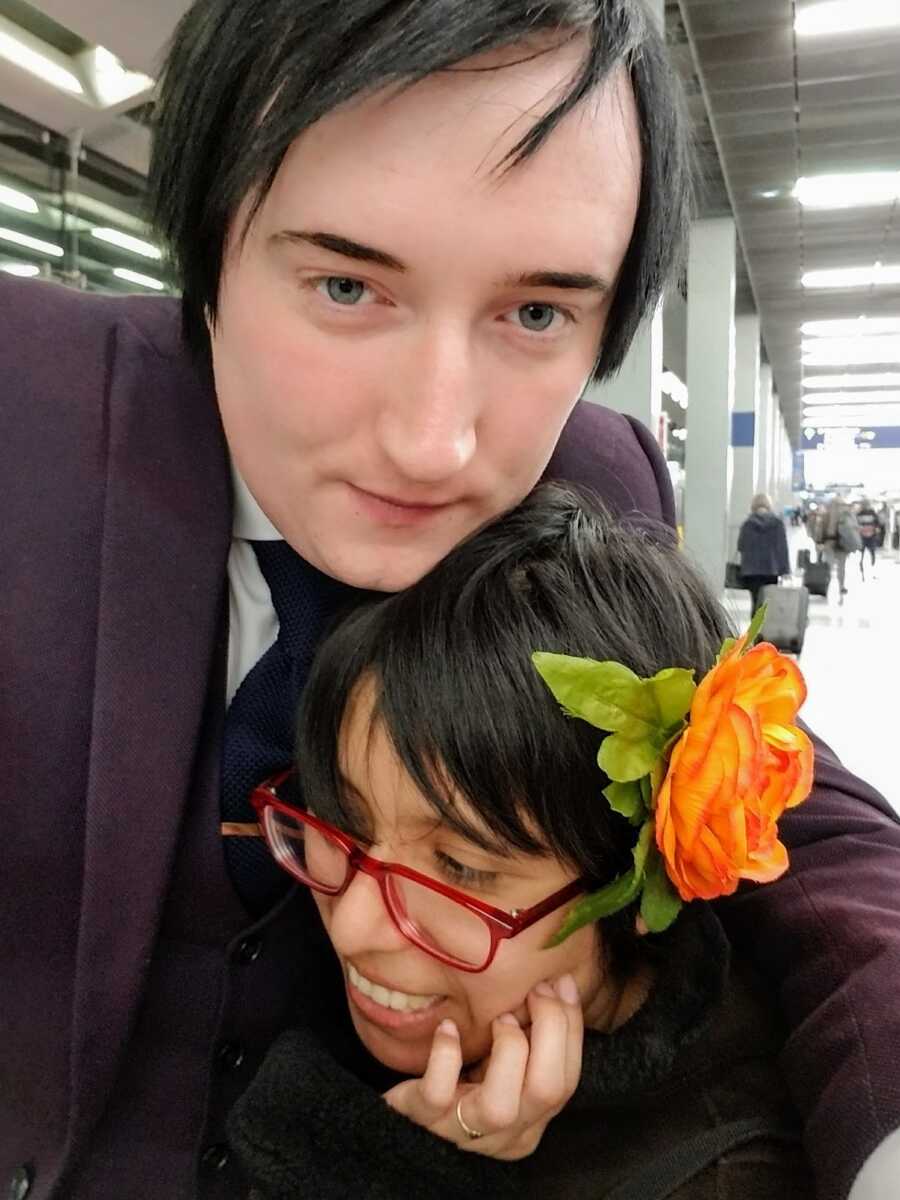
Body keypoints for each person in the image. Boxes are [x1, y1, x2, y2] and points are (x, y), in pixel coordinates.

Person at [0, 2, 898, 1199]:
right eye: (345, 286)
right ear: (213, 241)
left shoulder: (593, 474)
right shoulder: (26, 414)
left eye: (536, 314)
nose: (434, 442)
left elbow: (802, 815)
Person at [227, 484, 815, 1200]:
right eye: (343, 824)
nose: (353, 928)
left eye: (459, 867)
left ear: (637, 887)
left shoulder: (717, 1176)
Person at [736, 492, 790, 615]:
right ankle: (765, 628)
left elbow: (740, 546)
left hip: (751, 571)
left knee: (755, 601)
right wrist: (785, 570)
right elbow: (782, 549)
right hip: (771, 570)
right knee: (767, 602)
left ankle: (755, 630)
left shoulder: (747, 524)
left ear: (753, 505)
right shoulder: (777, 523)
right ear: (769, 505)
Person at [815, 497, 862, 604]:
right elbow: (854, 529)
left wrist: (819, 542)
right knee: (841, 568)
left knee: (829, 567)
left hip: (830, 544)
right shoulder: (847, 515)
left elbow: (820, 529)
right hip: (841, 545)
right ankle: (841, 586)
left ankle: (827, 586)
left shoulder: (827, 515)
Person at [855, 500, 879, 581]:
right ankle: (863, 568)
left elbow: (877, 523)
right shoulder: (861, 514)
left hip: (868, 535)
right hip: (865, 536)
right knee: (865, 553)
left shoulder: (869, 513)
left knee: (870, 553)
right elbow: (856, 524)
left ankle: (870, 567)